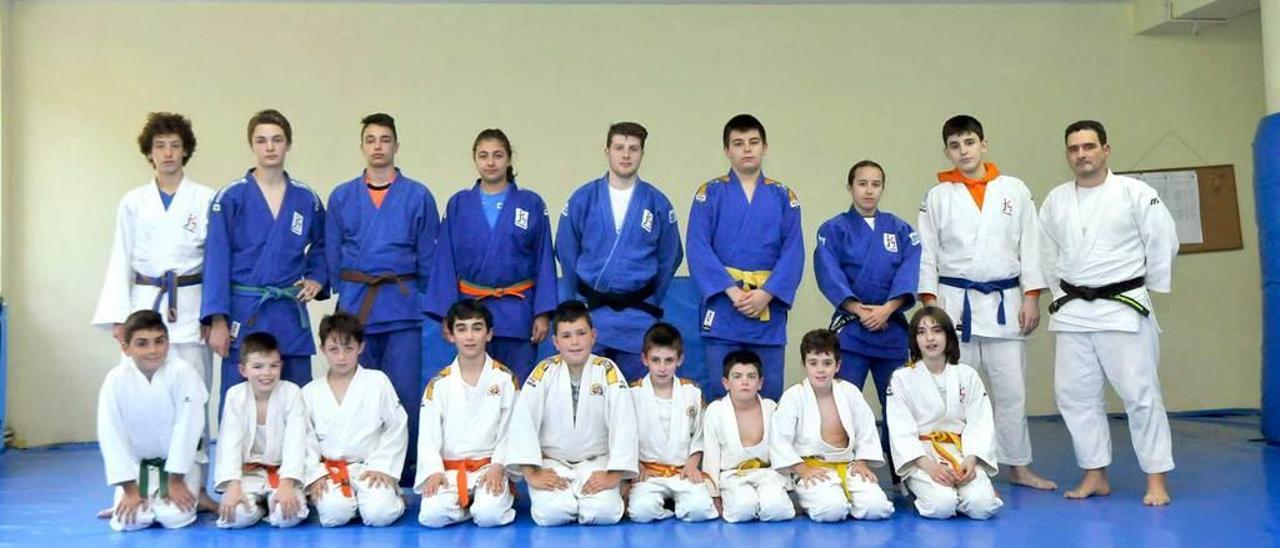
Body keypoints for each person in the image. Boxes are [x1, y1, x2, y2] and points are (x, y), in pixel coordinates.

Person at [1039, 120, 1178, 506]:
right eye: (1073, 148)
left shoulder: (1135, 193)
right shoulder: (1056, 200)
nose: (1081, 154)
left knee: (1141, 395)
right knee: (1075, 396)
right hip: (1072, 311)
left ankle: (1156, 480)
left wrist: (1148, 287)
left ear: (1106, 149)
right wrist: (1058, 292)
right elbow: (1045, 253)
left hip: (1122, 308)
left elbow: (1163, 240)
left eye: (1088, 146)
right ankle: (1095, 474)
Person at [916, 114, 1055, 490]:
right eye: (955, 146)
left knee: (1012, 391)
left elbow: (1031, 245)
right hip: (954, 304)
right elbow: (927, 253)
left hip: (1006, 304)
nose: (963, 151)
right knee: (958, 393)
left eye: (969, 143)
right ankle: (961, 466)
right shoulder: (937, 196)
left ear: (984, 144)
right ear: (947, 151)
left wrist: (1031, 297)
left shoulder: (1014, 189)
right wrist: (931, 308)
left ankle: (1018, 466)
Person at [92, 111, 218, 515]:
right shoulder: (133, 202)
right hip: (145, 306)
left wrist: (215, 315)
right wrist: (119, 318)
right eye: (160, 145)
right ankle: (131, 489)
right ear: (149, 152)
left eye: (175, 145)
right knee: (139, 399)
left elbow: (218, 262)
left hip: (192, 304)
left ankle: (193, 487)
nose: (168, 153)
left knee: (194, 397)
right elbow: (120, 258)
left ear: (186, 151)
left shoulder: (206, 199)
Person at [327, 112, 438, 485]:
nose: (378, 146)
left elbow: (428, 256)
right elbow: (331, 251)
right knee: (356, 391)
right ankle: (362, 466)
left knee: (404, 392)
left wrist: (422, 298)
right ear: (362, 146)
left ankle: (404, 469)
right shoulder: (342, 196)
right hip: (357, 305)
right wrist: (335, 293)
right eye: (371, 140)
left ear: (396, 145)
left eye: (384, 139)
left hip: (402, 305)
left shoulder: (418, 195)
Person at [203, 109, 327, 405]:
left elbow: (324, 245)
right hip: (246, 310)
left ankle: (297, 452)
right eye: (262, 140)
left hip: (287, 308)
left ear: (288, 144)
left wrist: (317, 277)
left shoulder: (306, 198)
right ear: (252, 146)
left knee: (296, 396)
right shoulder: (230, 197)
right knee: (239, 395)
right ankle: (239, 453)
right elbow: (216, 260)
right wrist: (217, 320)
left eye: (277, 140)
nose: (270, 147)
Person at [813, 159, 920, 478]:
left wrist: (888, 308)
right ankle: (843, 466)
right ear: (850, 187)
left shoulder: (901, 230)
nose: (869, 190)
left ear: (883, 188)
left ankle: (904, 473)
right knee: (845, 403)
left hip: (891, 328)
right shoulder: (832, 229)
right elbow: (828, 272)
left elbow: (910, 269)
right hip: (852, 329)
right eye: (862, 183)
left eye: (876, 184)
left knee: (898, 407)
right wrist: (859, 309)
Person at [687, 114, 804, 400]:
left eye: (753, 142)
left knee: (769, 391)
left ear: (765, 147)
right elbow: (698, 247)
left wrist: (767, 293)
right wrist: (731, 291)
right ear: (727, 150)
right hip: (725, 304)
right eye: (738, 143)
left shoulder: (782, 196)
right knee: (719, 391)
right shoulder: (709, 194)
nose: (747, 149)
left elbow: (793, 252)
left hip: (767, 307)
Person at [556, 121, 683, 381]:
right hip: (592, 316)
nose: (626, 155)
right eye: (619, 148)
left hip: (639, 316)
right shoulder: (583, 198)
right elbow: (566, 252)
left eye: (633, 149)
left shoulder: (656, 202)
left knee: (635, 397)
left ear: (642, 154)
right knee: (590, 398)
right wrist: (576, 300)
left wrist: (649, 298)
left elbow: (670, 256)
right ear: (607, 151)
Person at [426, 129, 556, 381]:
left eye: (498, 155)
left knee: (517, 387)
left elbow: (544, 260)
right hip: (471, 311)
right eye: (483, 155)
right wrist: (447, 313)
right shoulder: (459, 204)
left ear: (509, 159)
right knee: (473, 385)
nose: (490, 162)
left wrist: (542, 313)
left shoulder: (531, 204)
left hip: (518, 310)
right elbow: (444, 261)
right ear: (474, 159)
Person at [503, 301, 638, 526]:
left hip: (597, 462)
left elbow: (624, 423)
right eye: (566, 336)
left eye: (581, 333)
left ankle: (593, 497)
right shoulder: (543, 372)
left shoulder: (608, 371)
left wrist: (613, 475)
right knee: (552, 514)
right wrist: (532, 473)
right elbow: (523, 423)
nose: (575, 342)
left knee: (604, 513)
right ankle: (569, 499)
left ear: (593, 336)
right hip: (553, 464)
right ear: (555, 342)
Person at [886, 307, 1002, 519]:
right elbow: (900, 430)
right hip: (923, 456)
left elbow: (980, 422)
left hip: (961, 452)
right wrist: (929, 466)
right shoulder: (902, 379)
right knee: (942, 506)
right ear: (914, 340)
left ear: (948, 335)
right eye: (921, 332)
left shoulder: (967, 375)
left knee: (982, 507)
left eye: (936, 330)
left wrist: (972, 459)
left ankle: (973, 491)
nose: (929, 338)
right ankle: (926, 493)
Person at [96, 310, 207, 532]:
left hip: (180, 465)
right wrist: (128, 489)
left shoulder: (184, 373)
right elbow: (110, 435)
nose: (153, 350)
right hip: (137, 466)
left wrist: (176, 479)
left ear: (168, 342)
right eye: (142, 344)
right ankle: (135, 499)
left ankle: (165, 498)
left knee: (175, 517)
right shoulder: (115, 380)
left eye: (159, 341)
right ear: (125, 348)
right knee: (130, 521)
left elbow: (188, 428)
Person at [771, 329, 894, 522]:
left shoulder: (850, 392)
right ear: (804, 365)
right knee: (832, 511)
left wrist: (862, 462)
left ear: (838, 366)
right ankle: (827, 500)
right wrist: (802, 469)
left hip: (849, 465)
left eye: (827, 363)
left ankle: (845, 497)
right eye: (813, 363)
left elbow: (866, 430)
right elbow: (779, 441)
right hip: (813, 468)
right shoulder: (794, 396)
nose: (820, 370)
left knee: (877, 509)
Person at [416, 300, 518, 528]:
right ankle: (468, 507)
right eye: (461, 329)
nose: (469, 336)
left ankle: (482, 503)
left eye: (477, 328)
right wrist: (433, 471)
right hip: (450, 470)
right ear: (450, 335)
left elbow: (510, 429)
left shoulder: (504, 379)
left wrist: (499, 466)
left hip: (489, 468)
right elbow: (428, 435)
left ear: (489, 334)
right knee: (432, 516)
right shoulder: (439, 383)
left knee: (489, 516)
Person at [302, 312, 408, 527]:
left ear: (361, 347)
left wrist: (382, 466)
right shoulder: (310, 392)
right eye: (334, 349)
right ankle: (350, 502)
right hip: (332, 472)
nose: (341, 357)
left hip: (370, 468)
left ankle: (390, 498)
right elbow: (304, 439)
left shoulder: (377, 381)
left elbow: (397, 425)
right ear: (323, 350)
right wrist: (315, 475)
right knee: (334, 516)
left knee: (380, 515)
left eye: (348, 348)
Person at [213, 332, 309, 528]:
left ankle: (271, 503)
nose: (266, 373)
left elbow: (296, 442)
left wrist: (287, 484)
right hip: (248, 474)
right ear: (243, 369)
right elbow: (229, 444)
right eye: (257, 367)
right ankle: (258, 506)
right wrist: (233, 485)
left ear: (281, 366)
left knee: (287, 516)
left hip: (282, 473)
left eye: (273, 366)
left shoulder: (291, 393)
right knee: (234, 517)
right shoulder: (235, 396)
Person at [627, 322, 717, 523]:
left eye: (669, 360)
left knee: (699, 510)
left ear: (680, 359)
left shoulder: (691, 392)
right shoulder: (633, 394)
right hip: (648, 473)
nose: (662, 368)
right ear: (644, 359)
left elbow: (700, 433)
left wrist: (693, 465)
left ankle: (679, 504)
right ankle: (670, 508)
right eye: (655, 360)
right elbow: (624, 436)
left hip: (682, 472)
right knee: (642, 512)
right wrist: (637, 467)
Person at [700, 350, 795, 523]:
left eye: (751, 376)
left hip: (768, 474)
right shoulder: (715, 411)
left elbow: (782, 448)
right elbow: (711, 456)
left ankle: (770, 501)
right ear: (726, 383)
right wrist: (714, 494)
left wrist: (788, 486)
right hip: (732, 476)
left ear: (760, 383)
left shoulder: (770, 408)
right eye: (737, 376)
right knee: (742, 510)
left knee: (778, 511)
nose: (745, 382)